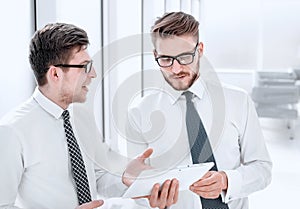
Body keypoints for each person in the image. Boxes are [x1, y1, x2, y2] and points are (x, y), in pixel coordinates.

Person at [0, 23, 178, 209]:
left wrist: (126, 178)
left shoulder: (80, 116)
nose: (93, 74)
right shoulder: (12, 131)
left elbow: (98, 177)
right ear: (55, 74)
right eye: (84, 67)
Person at [125, 12, 272, 209]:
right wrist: (148, 197)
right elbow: (138, 188)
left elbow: (262, 169)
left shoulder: (238, 101)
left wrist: (227, 181)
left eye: (185, 57)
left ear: (200, 50)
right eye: (166, 59)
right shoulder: (139, 113)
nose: (176, 69)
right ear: (155, 56)